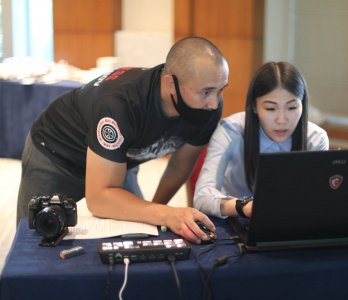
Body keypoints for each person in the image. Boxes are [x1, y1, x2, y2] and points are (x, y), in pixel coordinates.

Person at [17, 36, 229, 244]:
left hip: (117, 160)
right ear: (171, 85)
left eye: (221, 90)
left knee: (138, 236)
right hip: (57, 153)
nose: (214, 103)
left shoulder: (208, 107)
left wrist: (157, 213)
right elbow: (99, 199)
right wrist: (164, 214)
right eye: (206, 92)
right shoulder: (121, 103)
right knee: (35, 239)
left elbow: (179, 166)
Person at [194, 61, 329, 218]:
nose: (281, 120)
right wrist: (245, 207)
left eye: (292, 107)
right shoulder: (231, 131)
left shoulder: (315, 138)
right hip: (235, 220)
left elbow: (318, 198)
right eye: (271, 108)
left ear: (302, 105)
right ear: (253, 106)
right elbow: (202, 197)